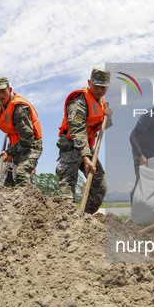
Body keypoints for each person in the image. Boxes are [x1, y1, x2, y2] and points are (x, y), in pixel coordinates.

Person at [56, 67, 112, 213]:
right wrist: (86, 157)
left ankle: (84, 219)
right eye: (96, 85)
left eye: (103, 87)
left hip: (87, 147)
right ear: (89, 82)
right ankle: (66, 221)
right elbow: (77, 131)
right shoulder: (78, 102)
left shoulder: (101, 102)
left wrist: (107, 118)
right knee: (67, 188)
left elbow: (98, 126)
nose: (99, 90)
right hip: (71, 146)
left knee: (100, 187)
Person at [0, 77, 43, 187]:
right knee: (9, 182)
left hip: (31, 146)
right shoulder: (4, 106)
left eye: (3, 91)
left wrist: (9, 152)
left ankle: (28, 203)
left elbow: (28, 139)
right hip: (16, 145)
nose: (0, 96)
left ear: (10, 90)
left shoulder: (20, 109)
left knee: (22, 174)